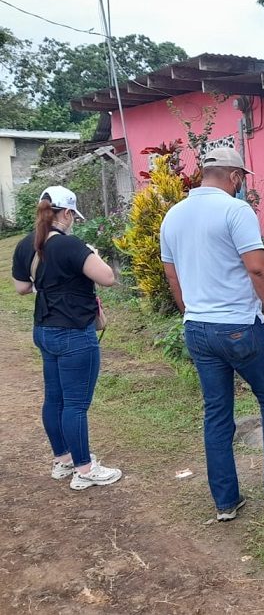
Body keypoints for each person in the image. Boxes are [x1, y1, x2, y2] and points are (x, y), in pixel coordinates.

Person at [160, 147, 264, 522]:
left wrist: (192, 315)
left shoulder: (173, 216)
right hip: (239, 327)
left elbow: (172, 275)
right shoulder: (235, 210)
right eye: (241, 180)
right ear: (235, 177)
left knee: (217, 413)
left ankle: (226, 503)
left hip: (197, 328)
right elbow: (259, 270)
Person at [11, 186, 122, 490]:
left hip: (44, 330)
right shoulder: (71, 245)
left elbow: (21, 287)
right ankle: (85, 469)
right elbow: (108, 278)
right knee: (75, 404)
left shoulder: (26, 245)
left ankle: (63, 460)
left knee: (55, 398)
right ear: (68, 213)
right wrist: (94, 255)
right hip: (74, 332)